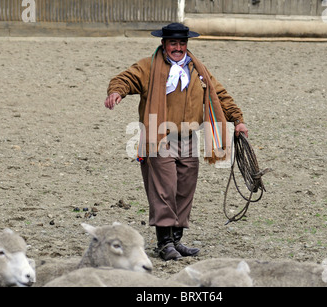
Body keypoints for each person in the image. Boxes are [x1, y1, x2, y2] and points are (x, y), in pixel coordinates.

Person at [104, 23, 248, 261]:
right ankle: (164, 243)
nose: (178, 48)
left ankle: (176, 240)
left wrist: (238, 120)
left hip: (189, 137)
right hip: (159, 136)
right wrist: (116, 92)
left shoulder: (198, 69)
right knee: (164, 188)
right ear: (164, 44)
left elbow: (219, 94)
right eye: (173, 43)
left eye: (182, 43)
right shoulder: (148, 66)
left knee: (184, 189)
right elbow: (125, 79)